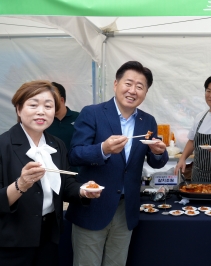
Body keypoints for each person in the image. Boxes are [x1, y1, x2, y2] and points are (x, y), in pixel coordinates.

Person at [65, 61, 168, 266]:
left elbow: (157, 162)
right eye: (128, 83)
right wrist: (103, 149)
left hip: (125, 209)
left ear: (146, 92)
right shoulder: (93, 113)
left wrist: (158, 152)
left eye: (140, 86)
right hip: (93, 205)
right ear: (115, 84)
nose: (133, 90)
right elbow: (74, 154)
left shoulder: (147, 121)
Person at [0, 80, 100, 266]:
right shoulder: (3, 146)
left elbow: (65, 183)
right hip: (13, 240)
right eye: (33, 105)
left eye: (48, 106)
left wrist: (82, 191)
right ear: (19, 109)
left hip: (49, 236)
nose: (41, 111)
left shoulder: (56, 145)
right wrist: (20, 185)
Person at [46, 82, 80, 151]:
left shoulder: (79, 117)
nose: (47, 104)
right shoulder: (43, 120)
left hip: (75, 160)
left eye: (50, 101)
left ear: (61, 100)